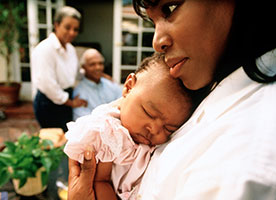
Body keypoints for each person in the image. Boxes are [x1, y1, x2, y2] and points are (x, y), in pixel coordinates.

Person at [68, 0, 276, 199]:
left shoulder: (251, 144)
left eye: (170, 8)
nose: (157, 42)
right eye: (153, 22)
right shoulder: (209, 87)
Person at [65, 53, 193, 199]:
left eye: (169, 128)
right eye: (149, 113)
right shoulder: (109, 131)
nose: (154, 130)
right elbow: (100, 181)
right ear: (128, 87)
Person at [31, 6, 87, 132]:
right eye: (67, 27)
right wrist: (71, 103)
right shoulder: (45, 49)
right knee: (53, 141)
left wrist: (98, 74)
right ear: (56, 25)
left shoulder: (71, 49)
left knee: (66, 138)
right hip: (48, 102)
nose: (72, 33)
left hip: (65, 99)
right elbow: (47, 85)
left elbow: (77, 74)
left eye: (76, 29)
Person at [72, 48, 122, 120]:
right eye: (92, 64)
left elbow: (124, 107)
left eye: (100, 63)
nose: (98, 67)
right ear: (83, 67)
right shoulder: (79, 92)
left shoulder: (112, 85)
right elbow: (82, 121)